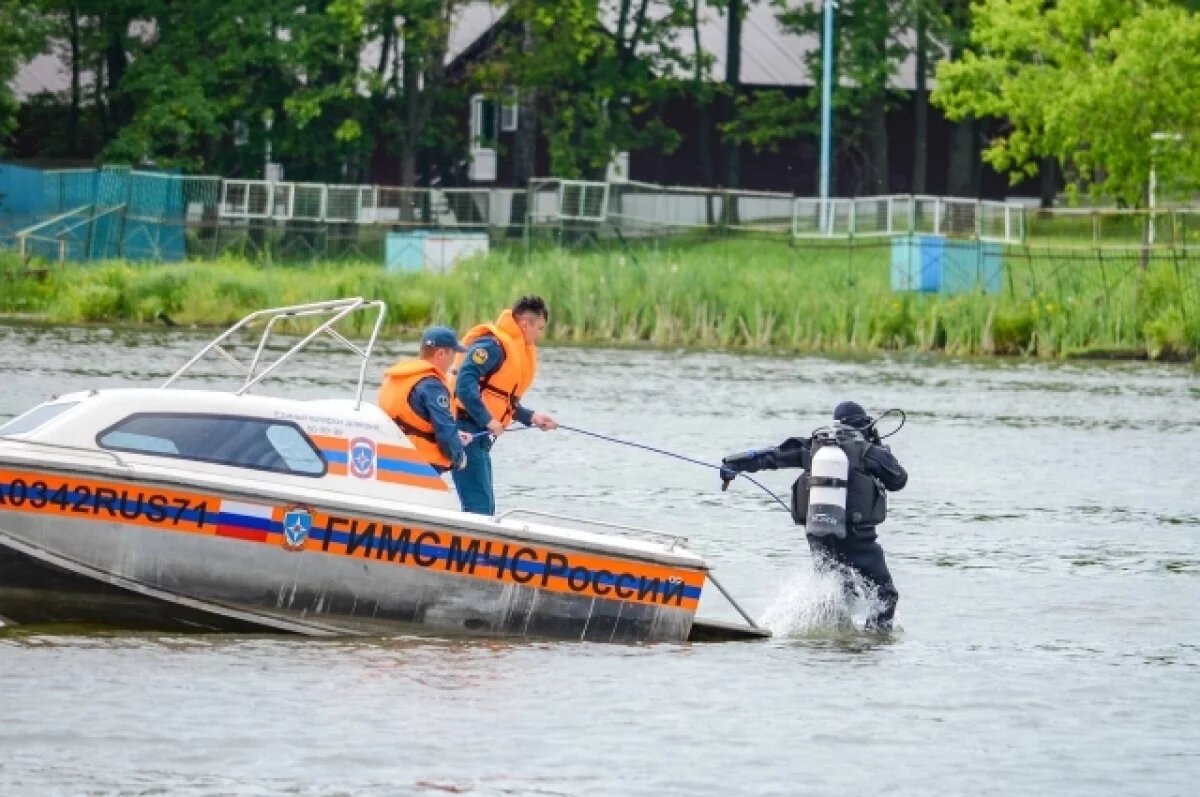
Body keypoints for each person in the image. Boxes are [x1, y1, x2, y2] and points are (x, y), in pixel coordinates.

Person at [720, 401, 908, 631]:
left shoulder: (815, 447)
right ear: (864, 424)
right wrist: (878, 444)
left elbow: (772, 455)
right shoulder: (868, 451)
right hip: (859, 539)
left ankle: (825, 642)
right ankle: (872, 642)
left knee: (838, 590)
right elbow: (899, 480)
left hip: (820, 533)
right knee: (885, 595)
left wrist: (733, 463)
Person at [450, 295, 558, 515]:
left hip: (480, 435)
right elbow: (464, 384)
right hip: (466, 431)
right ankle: (471, 548)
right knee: (479, 507)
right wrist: (488, 420)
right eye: (539, 328)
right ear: (525, 323)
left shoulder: (514, 350)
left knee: (486, 506)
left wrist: (532, 417)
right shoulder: (491, 346)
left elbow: (500, 399)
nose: (540, 334)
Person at [378, 326, 473, 472]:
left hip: (390, 455)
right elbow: (445, 430)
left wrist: (456, 435)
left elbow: (414, 419)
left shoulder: (397, 376)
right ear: (441, 353)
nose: (454, 360)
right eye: (453, 354)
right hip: (419, 463)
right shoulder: (432, 385)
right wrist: (459, 457)